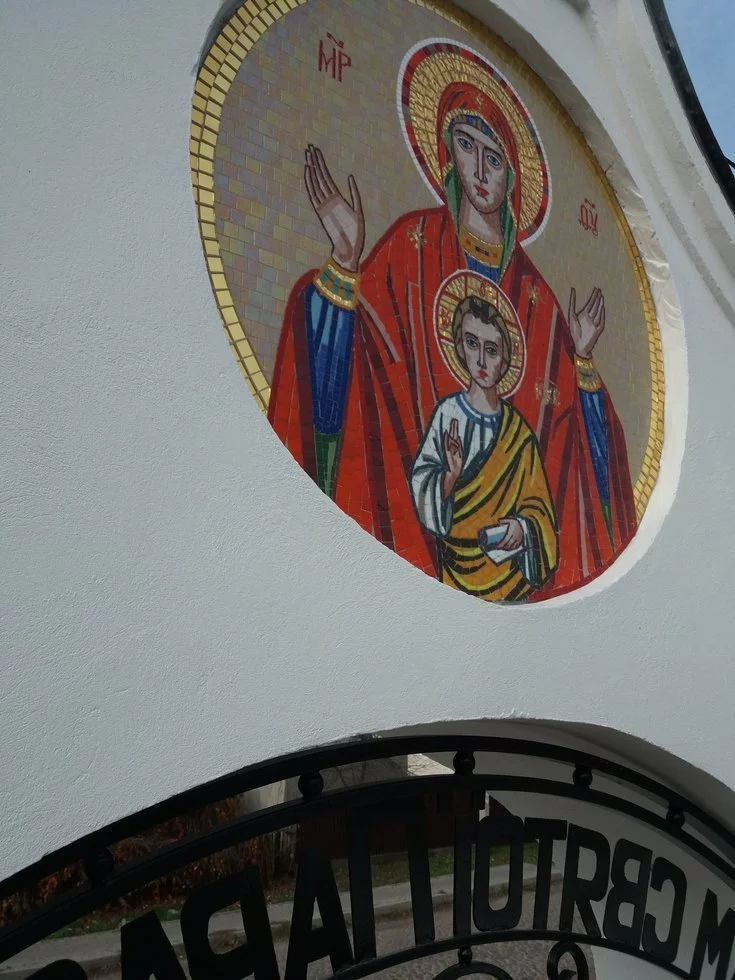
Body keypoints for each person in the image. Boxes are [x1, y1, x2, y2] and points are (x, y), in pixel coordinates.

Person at [268, 40, 636, 599]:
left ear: (514, 178)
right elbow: (355, 375)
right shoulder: (408, 247)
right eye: (466, 145)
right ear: (447, 154)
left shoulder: (538, 299)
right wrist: (343, 269)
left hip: (513, 578)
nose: (480, 170)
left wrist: (581, 363)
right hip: (408, 555)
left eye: (495, 157)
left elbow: (578, 458)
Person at [411, 292, 557, 602]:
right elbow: (421, 485)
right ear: (459, 347)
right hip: (453, 573)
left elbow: (539, 506)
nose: (480, 360)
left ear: (505, 360)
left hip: (510, 579)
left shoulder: (518, 432)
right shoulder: (447, 414)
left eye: (491, 350)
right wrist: (449, 476)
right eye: (471, 343)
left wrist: (522, 527)